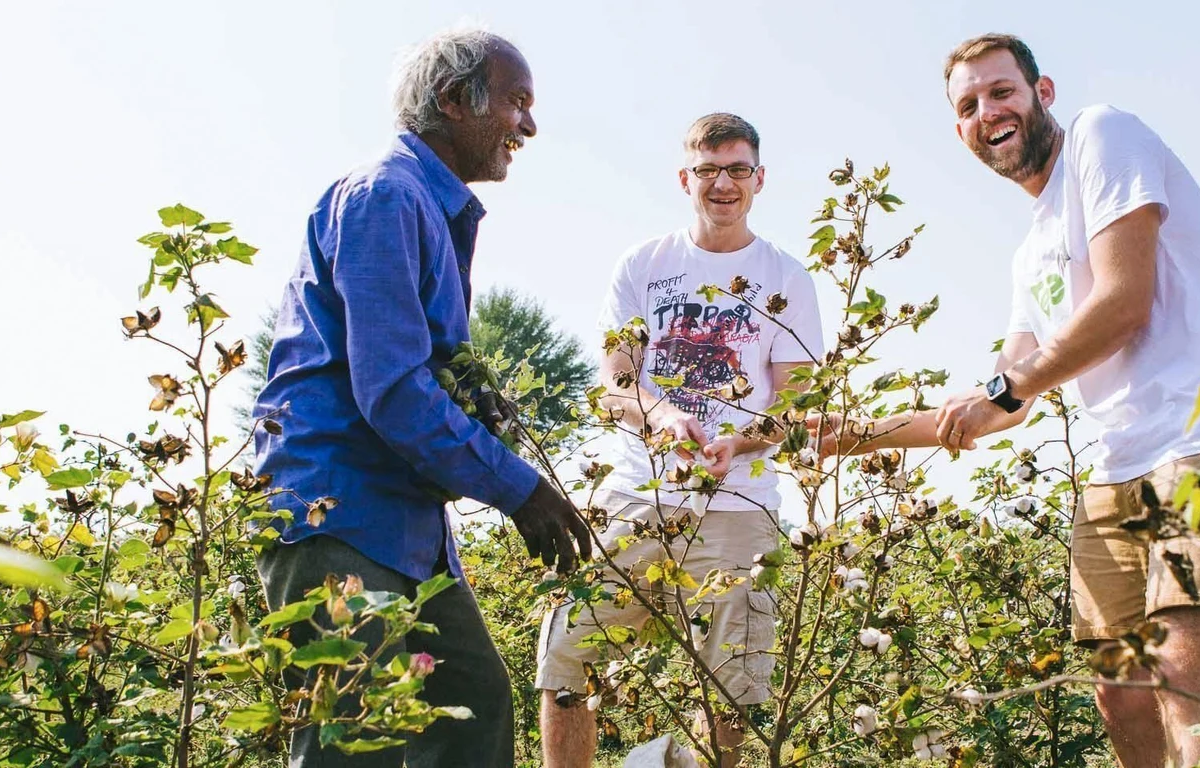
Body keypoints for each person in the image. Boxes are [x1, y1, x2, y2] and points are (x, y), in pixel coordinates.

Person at [817, 33, 1200, 768]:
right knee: (1122, 690)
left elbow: (1123, 301)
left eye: (1001, 91)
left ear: (1043, 93)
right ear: (960, 132)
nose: (987, 112)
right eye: (968, 106)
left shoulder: (1104, 135)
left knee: (1183, 661)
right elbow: (1005, 398)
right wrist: (855, 434)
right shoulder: (1029, 252)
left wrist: (1008, 388)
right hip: (1119, 463)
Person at [251, 27, 592, 768]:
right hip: (340, 510)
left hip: (405, 521)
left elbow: (423, 373)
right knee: (354, 742)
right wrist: (521, 489)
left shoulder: (430, 209)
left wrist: (484, 417)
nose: (529, 125)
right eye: (516, 102)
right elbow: (395, 388)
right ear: (453, 100)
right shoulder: (385, 196)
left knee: (473, 705)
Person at [535, 113, 824, 768]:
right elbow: (616, 384)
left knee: (731, 691)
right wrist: (663, 416)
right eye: (708, 170)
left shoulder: (787, 277)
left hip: (738, 505)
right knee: (567, 659)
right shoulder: (643, 265)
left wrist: (738, 442)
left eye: (737, 170)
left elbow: (795, 403)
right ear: (684, 178)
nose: (723, 183)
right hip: (634, 495)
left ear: (759, 179)